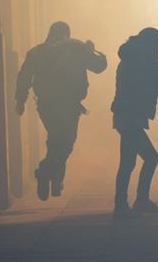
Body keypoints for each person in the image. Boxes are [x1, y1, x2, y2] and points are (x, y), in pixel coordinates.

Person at [15, 21, 107, 200]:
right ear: (67, 33)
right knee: (67, 141)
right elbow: (99, 67)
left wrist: (20, 100)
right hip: (69, 103)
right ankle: (47, 169)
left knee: (55, 138)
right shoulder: (77, 47)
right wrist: (94, 50)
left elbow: (24, 76)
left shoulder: (36, 51)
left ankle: (56, 179)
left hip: (45, 105)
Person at [111, 27, 158, 218]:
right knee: (151, 157)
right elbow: (154, 85)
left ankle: (122, 202)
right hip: (131, 115)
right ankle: (139, 200)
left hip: (124, 114)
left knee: (128, 162)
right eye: (157, 47)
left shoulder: (130, 56)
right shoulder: (144, 61)